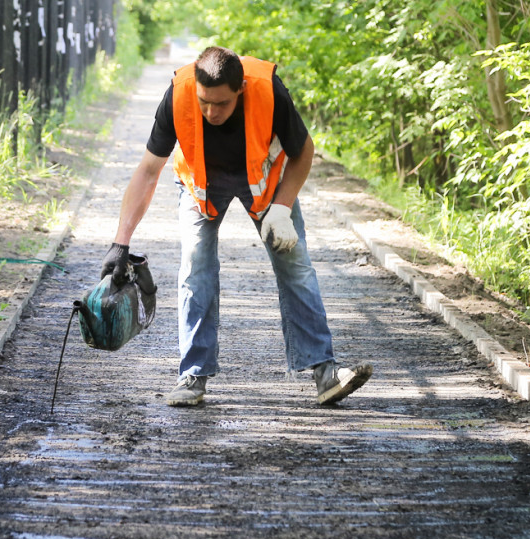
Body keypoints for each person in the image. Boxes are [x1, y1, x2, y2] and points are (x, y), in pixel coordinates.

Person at [101, 46, 372, 407]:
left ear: (241, 89)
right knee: (195, 269)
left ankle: (326, 375)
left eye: (222, 104)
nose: (211, 112)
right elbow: (148, 171)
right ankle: (192, 377)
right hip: (201, 186)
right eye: (204, 102)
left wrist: (282, 207)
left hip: (264, 185)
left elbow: (303, 152)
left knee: (296, 265)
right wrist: (120, 243)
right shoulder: (179, 93)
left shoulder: (267, 90)